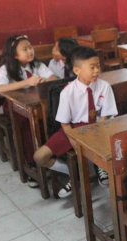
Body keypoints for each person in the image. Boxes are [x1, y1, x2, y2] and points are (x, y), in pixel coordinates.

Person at [33, 46, 117, 198]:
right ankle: (74, 173)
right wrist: (74, 140)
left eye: (98, 66)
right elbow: (65, 124)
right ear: (77, 70)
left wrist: (94, 134)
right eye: (92, 67)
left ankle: (99, 167)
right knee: (39, 157)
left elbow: (107, 115)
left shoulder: (104, 86)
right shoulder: (67, 92)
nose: (97, 70)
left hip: (99, 127)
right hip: (72, 130)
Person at [0, 34, 57, 188]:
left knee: (50, 118)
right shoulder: (6, 69)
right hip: (13, 106)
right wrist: (27, 82)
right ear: (15, 55)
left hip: (35, 104)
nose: (30, 51)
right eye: (25, 49)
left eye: (30, 47)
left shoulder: (37, 65)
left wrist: (46, 80)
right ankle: (31, 163)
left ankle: (51, 156)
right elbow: (0, 88)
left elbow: (54, 77)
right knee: (28, 124)